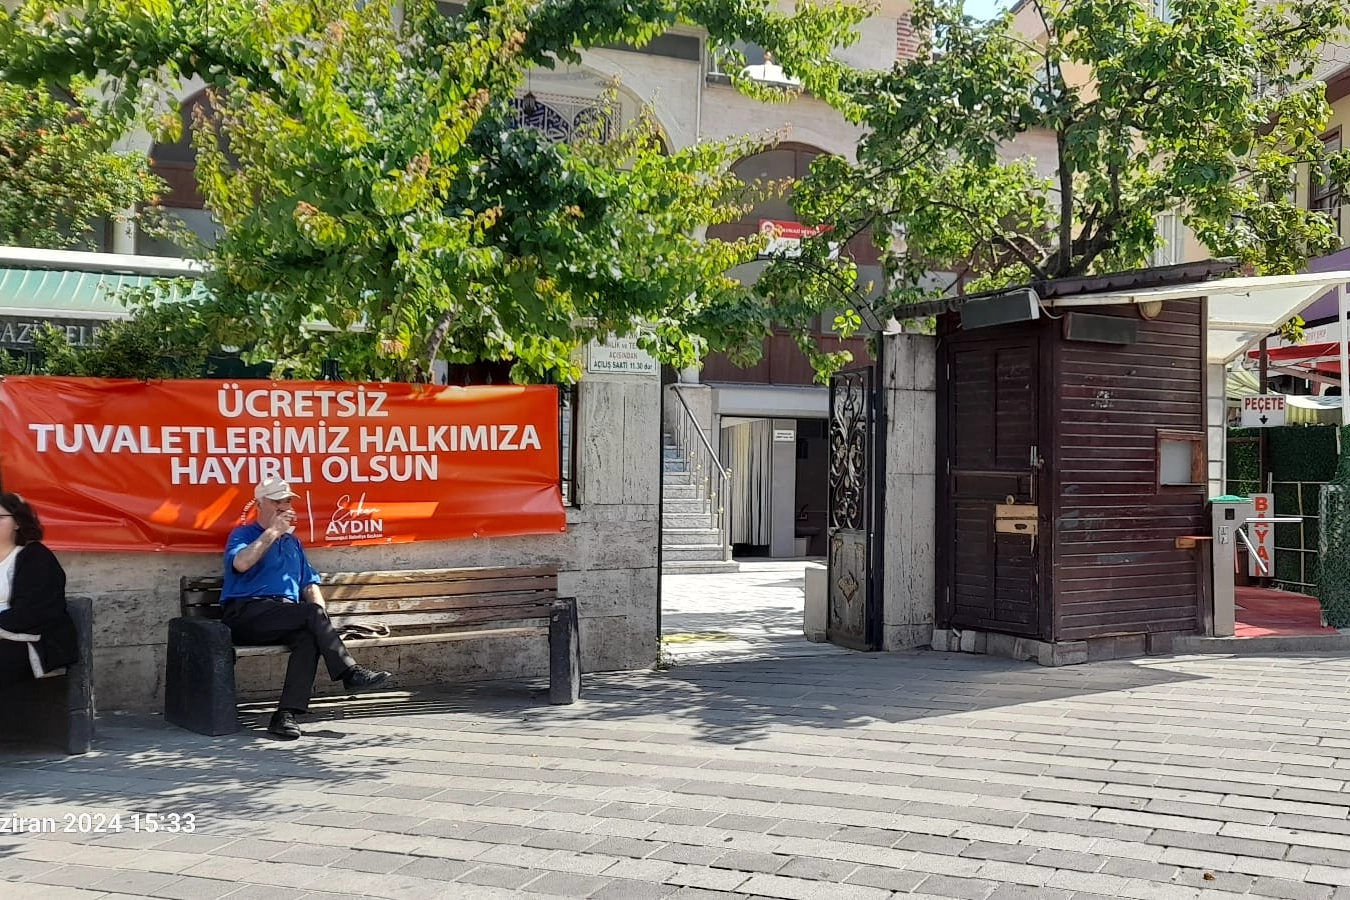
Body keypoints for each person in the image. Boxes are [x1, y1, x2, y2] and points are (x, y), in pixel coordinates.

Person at [223, 478, 390, 740]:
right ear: (259, 504)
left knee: (309, 638)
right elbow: (241, 564)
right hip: (247, 613)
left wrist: (324, 627)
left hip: (285, 616)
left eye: (288, 500)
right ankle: (349, 672)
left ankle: (285, 714)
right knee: (310, 614)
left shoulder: (293, 543)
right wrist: (272, 532)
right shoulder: (243, 534)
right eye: (277, 501)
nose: (284, 506)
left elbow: (310, 586)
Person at [0, 493, 78, 689]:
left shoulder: (35, 557)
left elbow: (34, 612)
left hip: (30, 641)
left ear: (17, 522)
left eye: (0, 517)